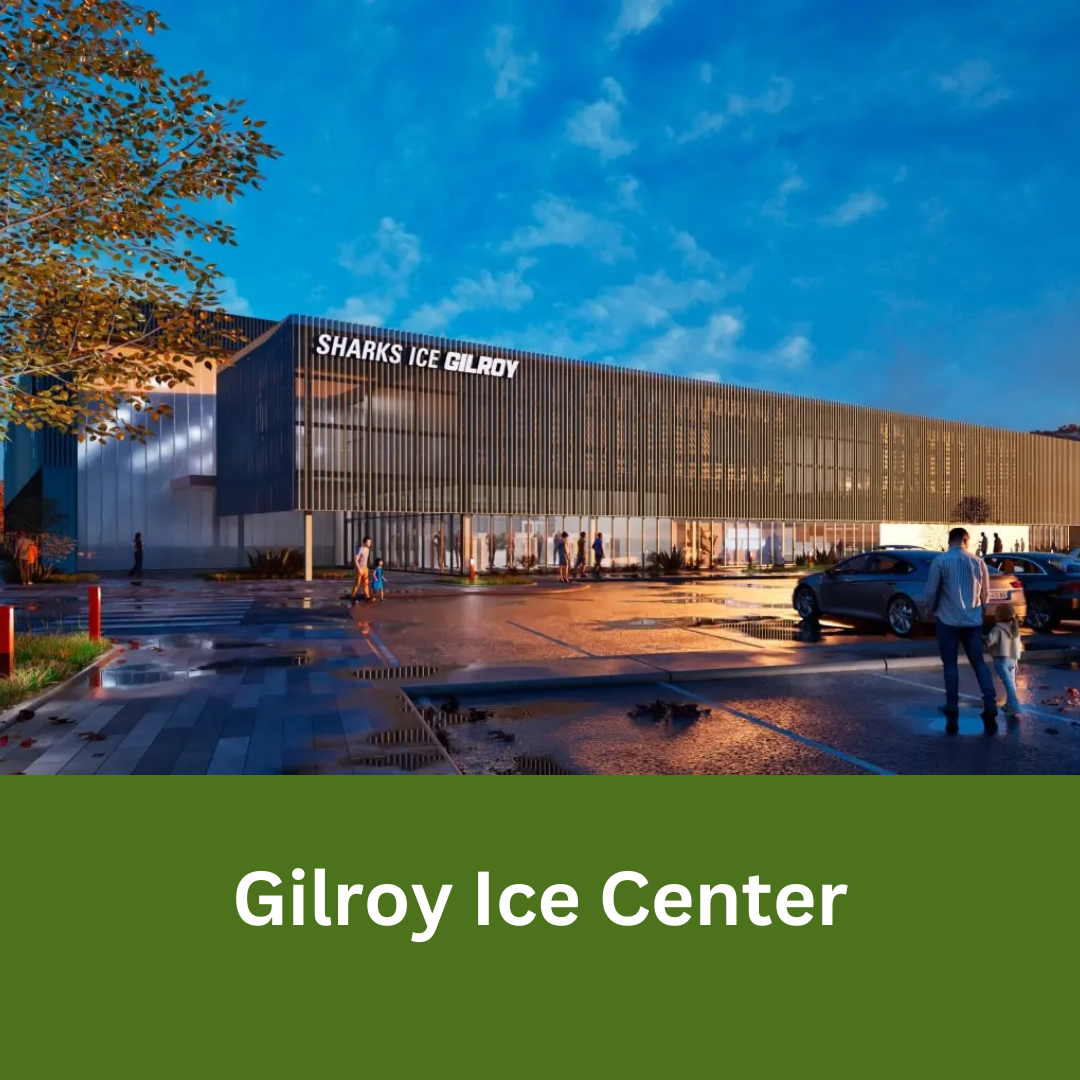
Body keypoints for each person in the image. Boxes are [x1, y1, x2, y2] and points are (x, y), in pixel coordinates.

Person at [925, 527, 999, 734]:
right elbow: (986, 594)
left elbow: (932, 591)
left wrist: (930, 611)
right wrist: (981, 611)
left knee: (950, 664)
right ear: (966, 540)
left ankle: (952, 703)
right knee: (979, 662)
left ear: (950, 540)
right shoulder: (978, 561)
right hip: (973, 621)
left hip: (947, 620)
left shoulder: (940, 561)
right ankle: (990, 702)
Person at [984, 603, 1023, 717]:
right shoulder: (1014, 626)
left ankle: (1015, 706)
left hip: (1001, 659)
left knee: (1008, 683)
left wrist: (982, 637)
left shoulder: (997, 628)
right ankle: (1009, 704)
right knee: (1011, 682)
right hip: (1013, 658)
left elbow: (989, 641)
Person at [351, 536, 373, 603]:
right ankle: (353, 596)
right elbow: (356, 560)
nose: (370, 544)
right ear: (364, 542)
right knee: (358, 583)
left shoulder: (368, 550)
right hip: (359, 568)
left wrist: (367, 568)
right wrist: (359, 568)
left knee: (366, 583)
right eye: (368, 542)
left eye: (370, 542)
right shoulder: (360, 549)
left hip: (365, 568)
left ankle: (367, 596)